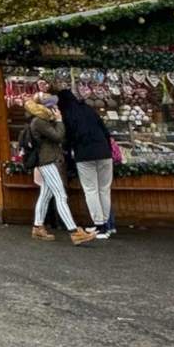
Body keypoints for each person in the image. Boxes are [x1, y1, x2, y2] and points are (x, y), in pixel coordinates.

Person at [26, 95, 95, 244]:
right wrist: (59, 121)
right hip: (47, 161)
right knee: (61, 195)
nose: (56, 109)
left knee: (45, 195)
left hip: (47, 161)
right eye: (53, 106)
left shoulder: (41, 120)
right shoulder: (40, 122)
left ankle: (38, 227)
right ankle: (74, 231)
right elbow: (58, 136)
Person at [56, 88, 115, 238]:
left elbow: (67, 140)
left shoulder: (67, 115)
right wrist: (108, 149)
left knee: (91, 190)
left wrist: (69, 159)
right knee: (104, 189)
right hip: (104, 153)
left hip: (84, 155)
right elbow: (105, 131)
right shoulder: (88, 109)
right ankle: (107, 225)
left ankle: (99, 226)